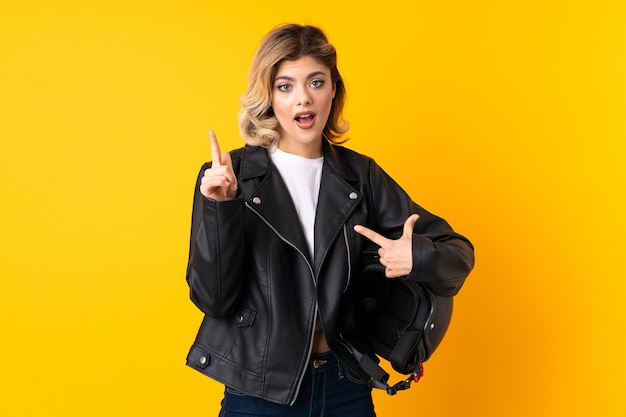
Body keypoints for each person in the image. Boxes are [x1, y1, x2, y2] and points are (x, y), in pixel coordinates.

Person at [185, 23, 474, 417]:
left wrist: (417, 257)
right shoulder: (230, 176)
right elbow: (212, 299)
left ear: (333, 89)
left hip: (344, 387)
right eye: (285, 86)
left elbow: (459, 253)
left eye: (316, 82)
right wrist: (222, 209)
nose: (303, 99)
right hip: (260, 393)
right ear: (268, 96)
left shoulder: (360, 176)